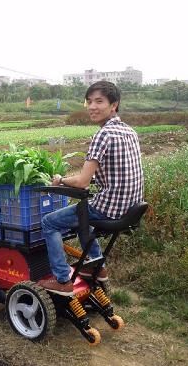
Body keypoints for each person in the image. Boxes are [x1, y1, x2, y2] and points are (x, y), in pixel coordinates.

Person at [38, 81, 144, 296]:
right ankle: (97, 267)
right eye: (89, 101)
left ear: (114, 105)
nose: (92, 107)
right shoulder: (129, 131)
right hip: (130, 207)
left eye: (99, 101)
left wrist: (60, 179)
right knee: (82, 213)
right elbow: (115, 171)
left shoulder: (102, 135)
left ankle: (62, 280)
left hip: (110, 208)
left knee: (49, 222)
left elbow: (82, 183)